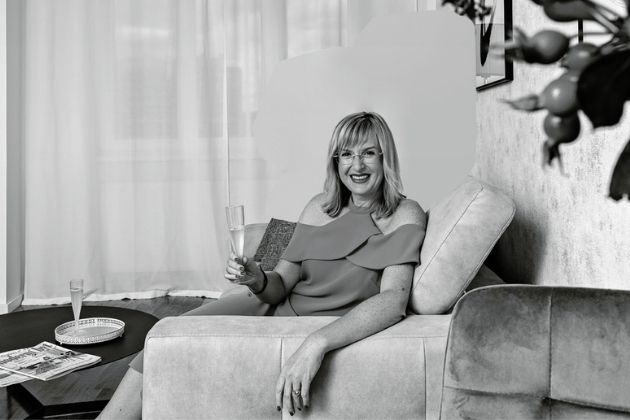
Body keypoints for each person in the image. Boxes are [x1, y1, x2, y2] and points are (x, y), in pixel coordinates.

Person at [98, 111, 427, 419]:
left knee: (172, 345)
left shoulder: (405, 214)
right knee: (164, 336)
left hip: (304, 328)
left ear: (385, 157)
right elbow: (280, 284)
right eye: (346, 154)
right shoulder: (319, 207)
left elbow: (392, 302)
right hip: (263, 309)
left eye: (368, 153)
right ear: (335, 161)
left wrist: (317, 342)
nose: (357, 165)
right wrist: (256, 278)